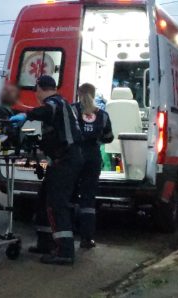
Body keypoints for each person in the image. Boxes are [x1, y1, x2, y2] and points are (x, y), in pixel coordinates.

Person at [10, 75, 83, 265]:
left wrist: (26, 115)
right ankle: (45, 242)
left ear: (40, 89)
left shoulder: (55, 102)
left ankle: (65, 251)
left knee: (57, 204)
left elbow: (46, 111)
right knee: (44, 200)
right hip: (63, 159)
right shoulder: (62, 106)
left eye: (36, 91)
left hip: (66, 160)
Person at [72, 83, 114, 249]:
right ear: (94, 94)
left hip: (75, 156)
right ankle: (86, 238)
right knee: (88, 198)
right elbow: (109, 137)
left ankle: (66, 236)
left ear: (78, 93)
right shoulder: (103, 115)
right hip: (93, 158)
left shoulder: (72, 110)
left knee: (70, 194)